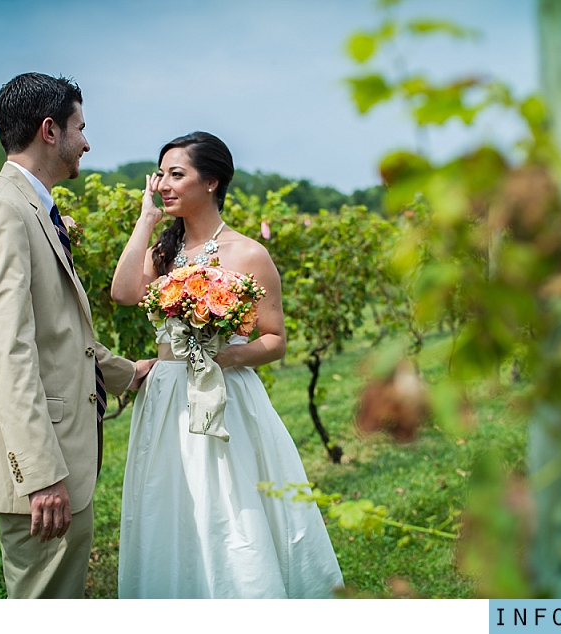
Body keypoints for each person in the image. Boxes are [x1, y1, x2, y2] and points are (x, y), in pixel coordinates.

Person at [111, 131, 343, 598]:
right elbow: (122, 293)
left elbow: (275, 340)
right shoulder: (163, 253)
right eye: (162, 176)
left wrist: (216, 356)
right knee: (170, 505)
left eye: (177, 175)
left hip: (226, 396)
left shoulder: (248, 253)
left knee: (231, 510)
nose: (165, 185)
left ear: (212, 181)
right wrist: (145, 221)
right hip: (166, 401)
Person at [0, 72, 154, 599]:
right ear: (50, 130)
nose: (87, 142)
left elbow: (57, 332)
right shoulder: (1, 212)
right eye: (80, 128)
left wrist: (126, 372)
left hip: (62, 455)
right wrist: (41, 473)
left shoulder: (32, 208)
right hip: (43, 470)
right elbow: (7, 350)